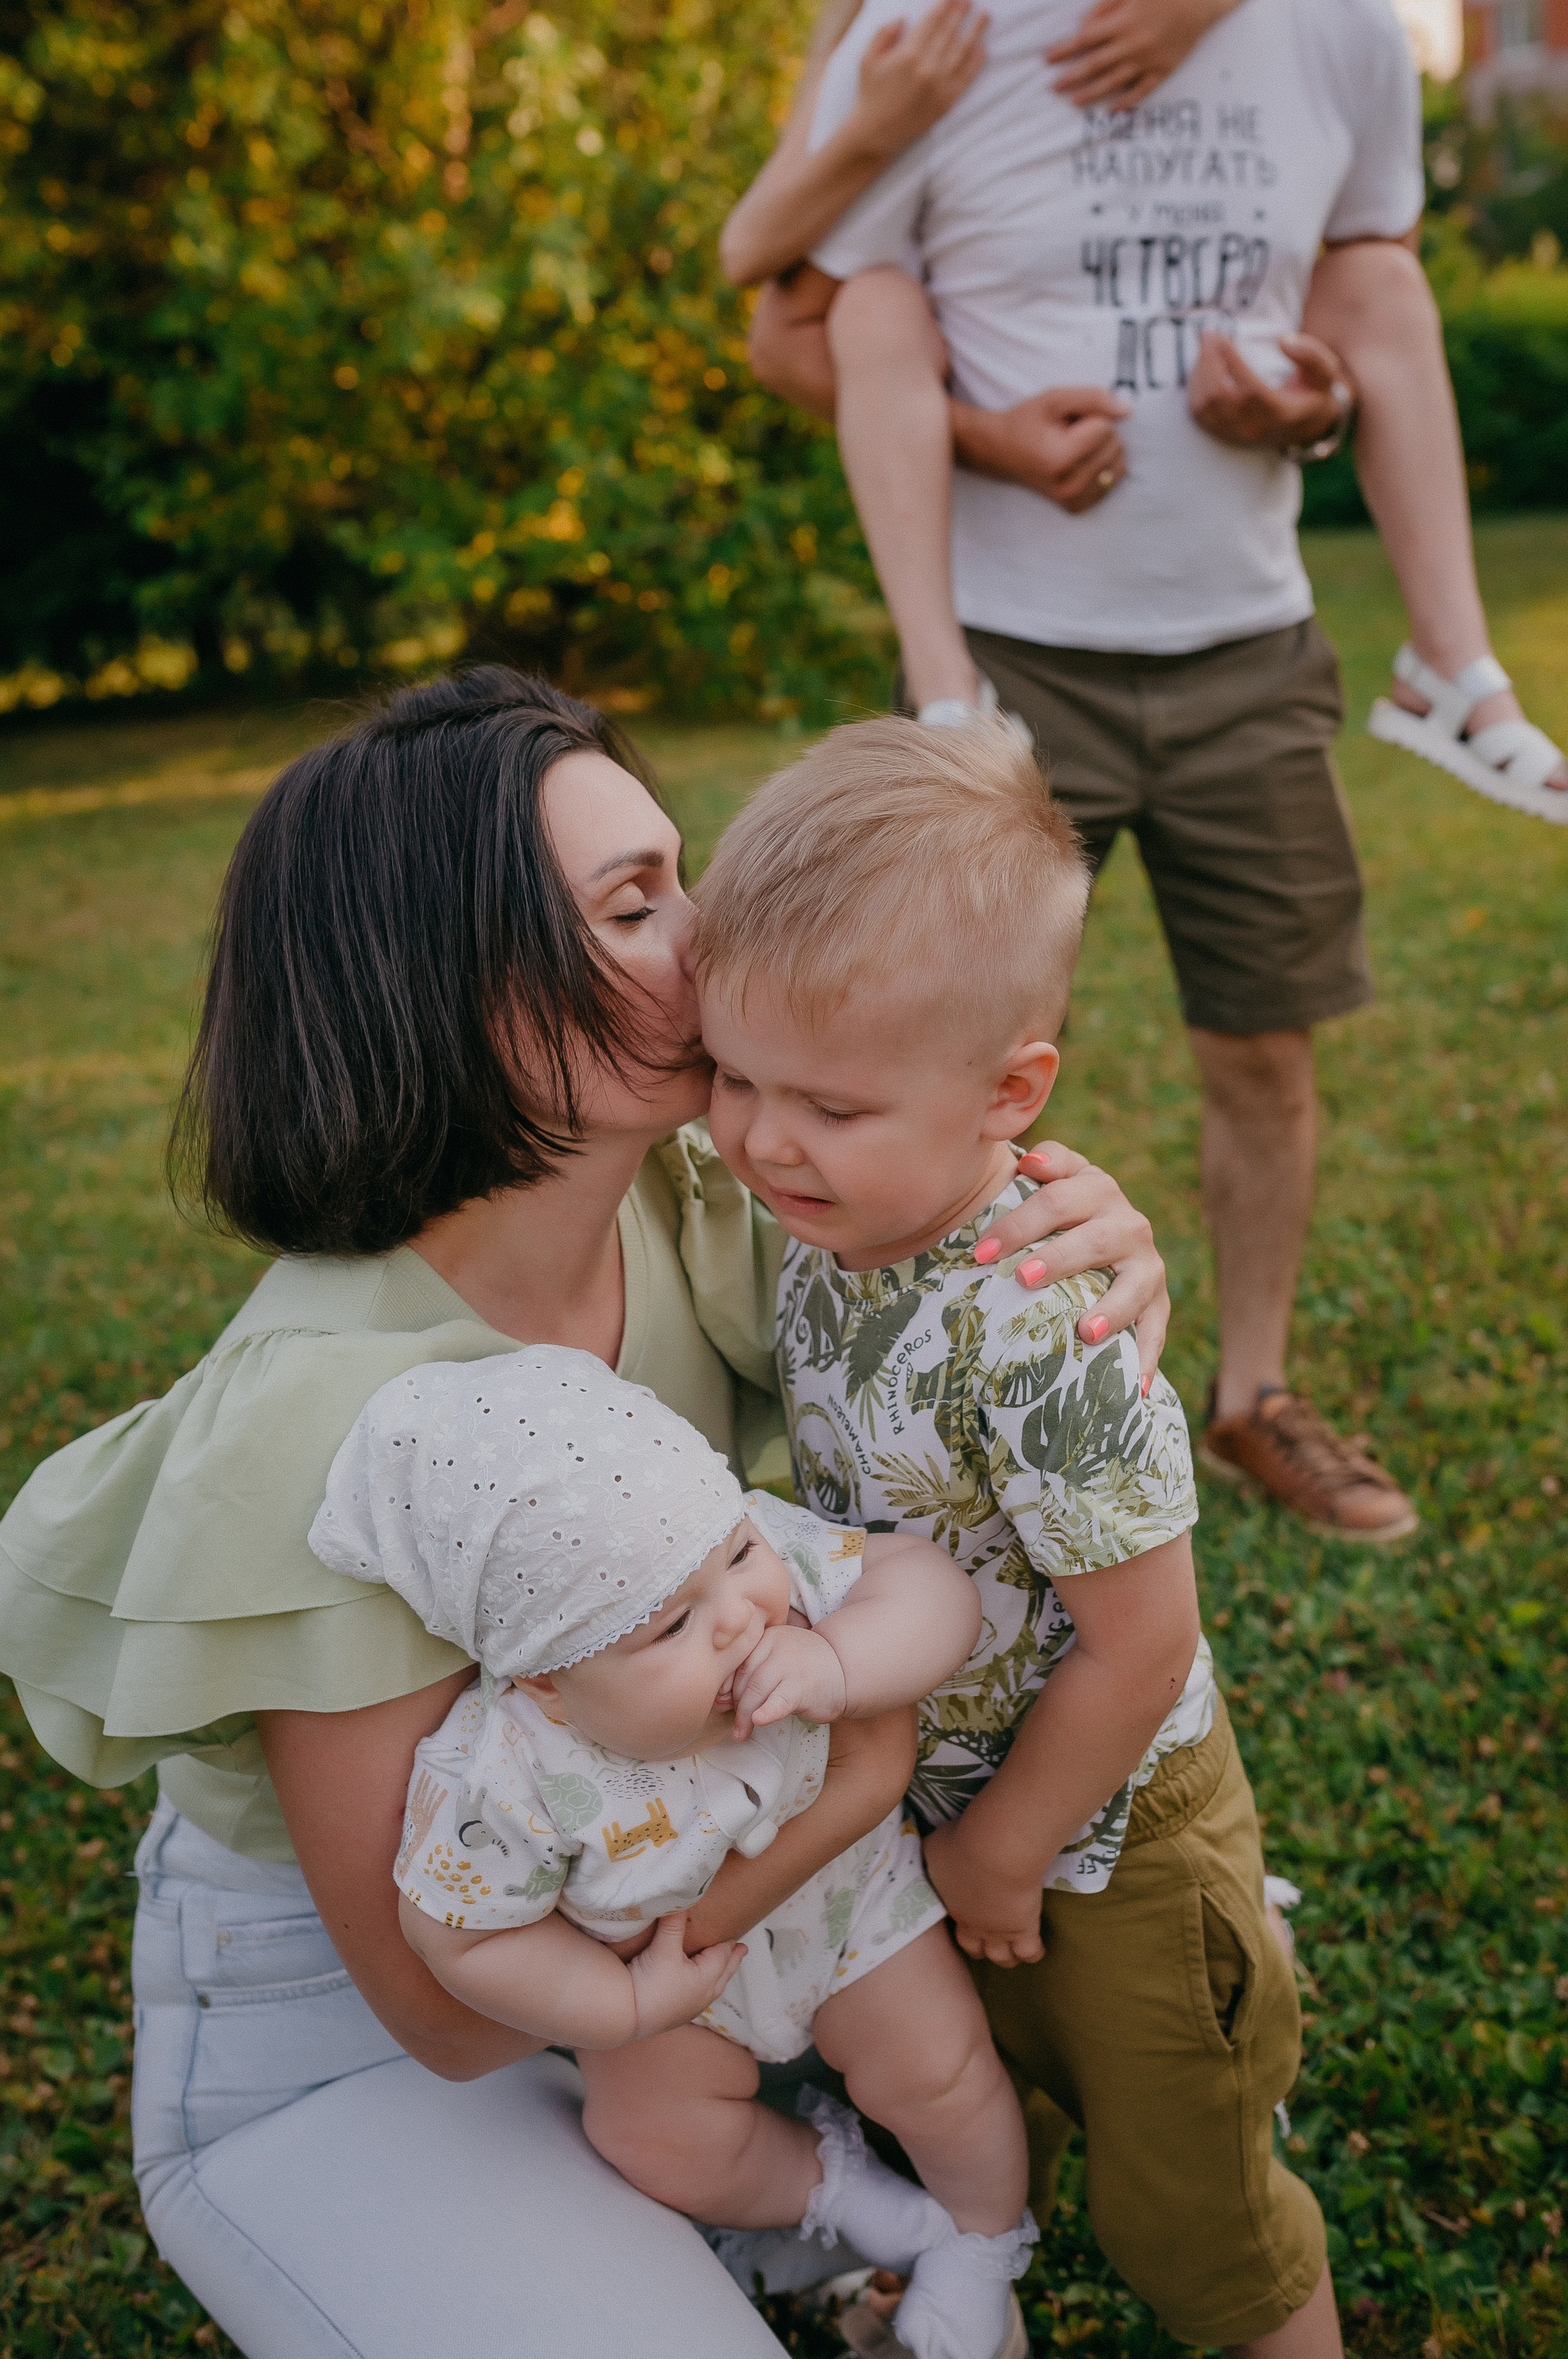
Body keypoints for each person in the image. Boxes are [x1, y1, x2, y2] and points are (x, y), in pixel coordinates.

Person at [0, 670, 1170, 2357]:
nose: (713, 938)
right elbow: (451, 2006)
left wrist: (1081, 1218)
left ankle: (776, 2194)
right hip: (386, 2025)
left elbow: (968, 1311)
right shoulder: (326, 1422)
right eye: (638, 907)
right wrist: (859, 1781)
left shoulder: (689, 1195)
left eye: (680, 874)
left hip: (674, 1871)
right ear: (447, 993)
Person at [725, 0, 1568, 1537]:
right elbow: (799, 319)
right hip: (1007, 655)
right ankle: (929, 1400)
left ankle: (1252, 1398)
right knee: (922, 1053)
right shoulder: (933, 33)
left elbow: (1347, 317)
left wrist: (1306, 404)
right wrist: (994, 443)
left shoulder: (1347, 41)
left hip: (1245, 640)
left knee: (1264, 1043)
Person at [693, 713, 1338, 2358]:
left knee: (1187, 2194)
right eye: (736, 1077)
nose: (764, 1140)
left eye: (827, 1101)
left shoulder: (1036, 1317)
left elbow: (1145, 1638)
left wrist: (1002, 1844)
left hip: (1109, 1831)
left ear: (1012, 1093)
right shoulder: (824, 1225)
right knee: (974, 2094)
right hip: (937, 1802)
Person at [317, 1346, 1035, 2359]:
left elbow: (930, 1588)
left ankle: (981, 2241)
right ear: (548, 1685)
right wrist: (624, 2010)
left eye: (738, 1558)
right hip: (673, 1997)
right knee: (654, 2140)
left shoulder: (767, 1572)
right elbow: (458, 1935)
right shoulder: (504, 1775)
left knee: (940, 2072)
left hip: (850, 1904)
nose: (742, 1617)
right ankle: (860, 2202)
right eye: (673, 1627)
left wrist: (842, 1657)